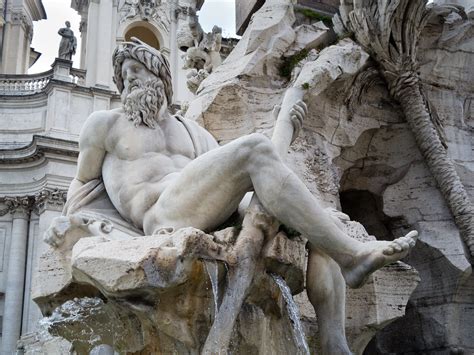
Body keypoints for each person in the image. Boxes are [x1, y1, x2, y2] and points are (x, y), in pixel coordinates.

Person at [68, 38, 417, 354]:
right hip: (161, 215)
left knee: (317, 219)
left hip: (211, 210)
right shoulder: (105, 124)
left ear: (160, 76)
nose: (128, 80)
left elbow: (251, 173)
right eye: (123, 75)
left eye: (136, 70)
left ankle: (333, 342)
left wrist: (284, 128)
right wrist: (71, 225)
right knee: (256, 148)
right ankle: (353, 258)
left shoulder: (193, 131)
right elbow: (82, 186)